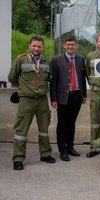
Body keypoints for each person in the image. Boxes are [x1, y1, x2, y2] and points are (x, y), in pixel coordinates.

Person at [8, 36, 55, 170]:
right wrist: (24, 88)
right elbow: (12, 77)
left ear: (43, 47)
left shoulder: (47, 61)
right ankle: (18, 158)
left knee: (44, 129)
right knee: (21, 130)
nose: (36, 48)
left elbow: (48, 79)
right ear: (29, 46)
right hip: (26, 100)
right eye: (34, 46)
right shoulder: (21, 60)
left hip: (41, 100)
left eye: (39, 46)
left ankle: (45, 154)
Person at [50, 36, 87, 161]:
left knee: (72, 123)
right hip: (62, 97)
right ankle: (63, 150)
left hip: (76, 95)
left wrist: (84, 95)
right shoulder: (56, 60)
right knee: (62, 124)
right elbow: (53, 81)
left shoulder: (81, 59)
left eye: (72, 44)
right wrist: (53, 98)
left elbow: (83, 78)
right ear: (64, 46)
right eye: (68, 44)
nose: (70, 46)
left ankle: (70, 147)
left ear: (76, 45)